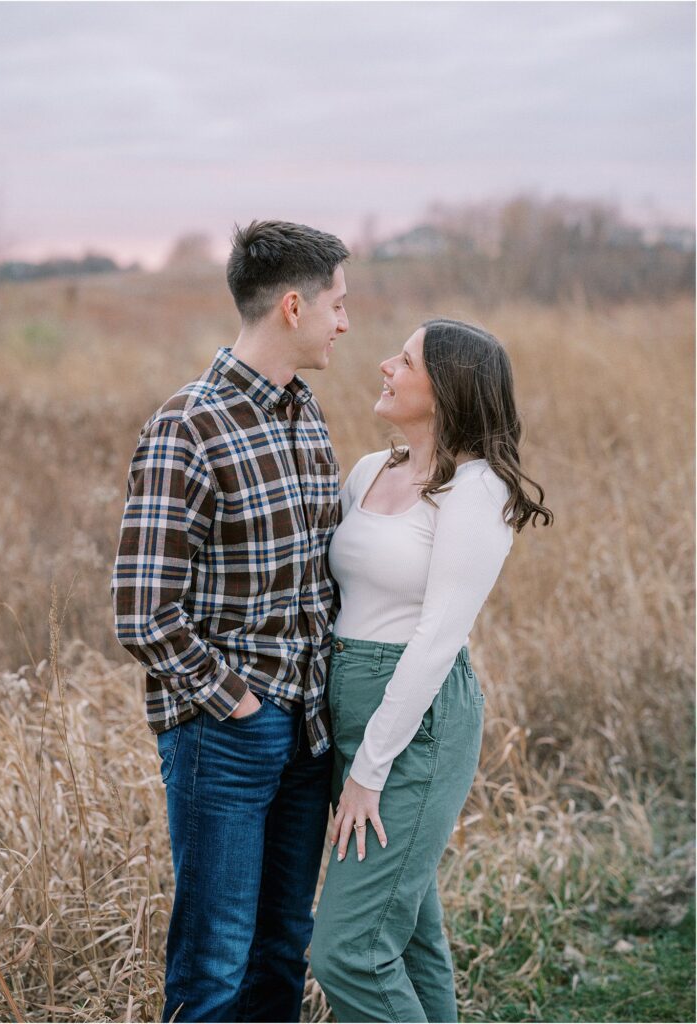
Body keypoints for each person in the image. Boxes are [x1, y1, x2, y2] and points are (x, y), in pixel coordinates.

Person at [111, 220, 349, 1023]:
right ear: (292, 306)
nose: (344, 322)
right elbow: (143, 611)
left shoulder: (305, 413)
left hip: (309, 733)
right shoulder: (189, 426)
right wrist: (238, 703)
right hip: (227, 734)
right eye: (337, 305)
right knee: (213, 963)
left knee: (283, 946)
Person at [310, 317, 553, 1023]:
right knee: (409, 936)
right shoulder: (369, 470)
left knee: (348, 952)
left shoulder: (476, 492)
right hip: (349, 707)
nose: (385, 364)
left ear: (446, 388)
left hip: (414, 725)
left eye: (406, 359)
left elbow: (436, 640)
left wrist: (369, 768)